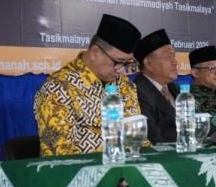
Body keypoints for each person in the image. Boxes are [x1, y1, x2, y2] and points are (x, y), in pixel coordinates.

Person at [34, 14, 142, 156]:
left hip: (126, 170)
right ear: (95, 52)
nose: (121, 70)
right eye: (118, 62)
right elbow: (60, 154)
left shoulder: (125, 86)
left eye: (127, 63)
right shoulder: (58, 88)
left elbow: (137, 140)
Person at [133, 29, 180, 144]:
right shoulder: (137, 91)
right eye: (168, 57)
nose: (175, 62)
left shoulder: (174, 88)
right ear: (149, 64)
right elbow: (153, 137)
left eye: (173, 56)